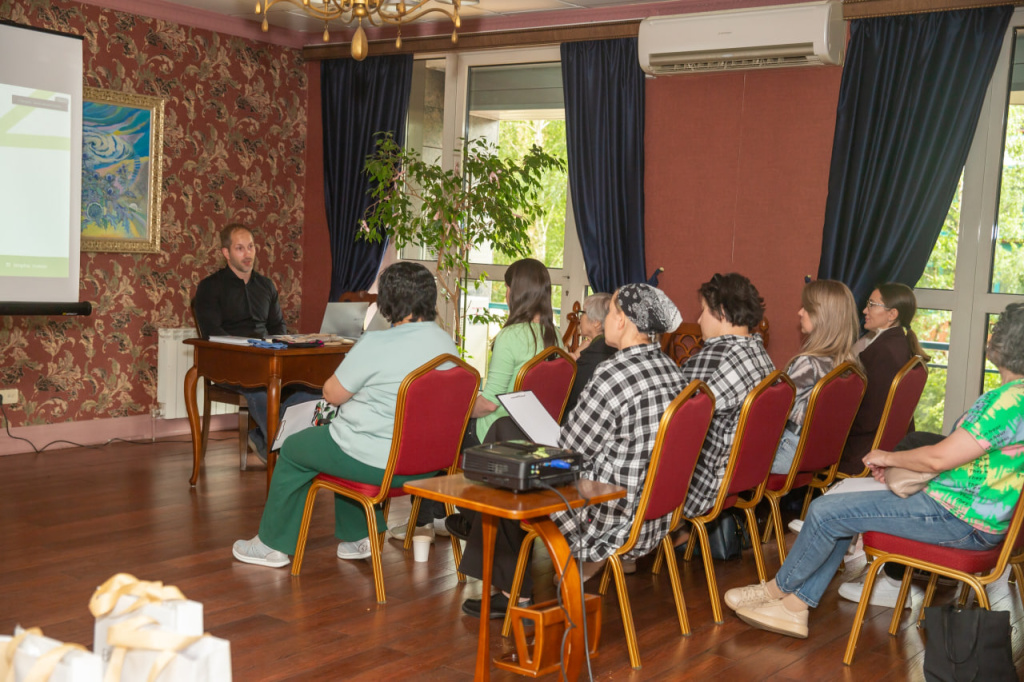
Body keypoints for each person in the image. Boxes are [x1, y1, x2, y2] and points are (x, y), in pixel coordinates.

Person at [726, 302, 1024, 639]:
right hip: (973, 517)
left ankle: (777, 592)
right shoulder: (1017, 399)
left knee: (825, 511)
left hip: (959, 521)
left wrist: (889, 458)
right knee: (838, 506)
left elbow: (938, 460)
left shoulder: (1007, 403)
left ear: (1000, 345)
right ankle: (794, 606)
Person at [459, 283, 686, 618]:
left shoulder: (613, 373)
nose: (606, 318)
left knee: (507, 462)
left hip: (602, 507)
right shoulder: (673, 370)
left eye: (610, 311)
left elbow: (571, 452)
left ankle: (509, 590)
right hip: (653, 509)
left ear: (623, 320)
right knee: (506, 432)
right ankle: (492, 554)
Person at [231, 262, 459, 568]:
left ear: (388, 302)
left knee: (298, 447)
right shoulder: (446, 343)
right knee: (344, 442)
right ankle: (358, 537)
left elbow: (332, 394)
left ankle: (272, 544)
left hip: (379, 463)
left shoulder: (377, 342)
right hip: (427, 466)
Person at [411, 259, 561, 537]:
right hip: (536, 435)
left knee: (439, 432)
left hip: (497, 433)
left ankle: (452, 519)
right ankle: (445, 519)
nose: (505, 293)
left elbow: (490, 403)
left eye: (507, 288)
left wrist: (457, 405)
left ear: (517, 292)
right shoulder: (556, 337)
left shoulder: (510, 337)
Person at [192, 223, 317, 461]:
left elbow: (278, 328)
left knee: (314, 388)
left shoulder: (266, 286)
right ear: (226, 253)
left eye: (250, 247)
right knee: (263, 391)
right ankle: (287, 456)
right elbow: (211, 334)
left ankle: (263, 436)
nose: (247, 253)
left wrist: (280, 345)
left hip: (268, 360)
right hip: (231, 364)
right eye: (240, 248)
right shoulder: (209, 287)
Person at [677, 273, 776, 529]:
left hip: (704, 483)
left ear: (721, 311)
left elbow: (671, 421)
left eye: (703, 312)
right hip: (744, 477)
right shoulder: (761, 355)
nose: (698, 320)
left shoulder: (715, 359)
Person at [839, 283, 931, 475]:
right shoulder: (901, 345)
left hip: (863, 450)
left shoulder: (882, 353)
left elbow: (868, 417)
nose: (865, 310)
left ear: (892, 315)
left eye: (872, 304)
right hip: (888, 444)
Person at [770, 280, 860, 474]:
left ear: (822, 316)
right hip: (820, 455)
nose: (800, 312)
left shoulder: (809, 363)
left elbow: (773, 411)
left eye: (806, 308)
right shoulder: (851, 367)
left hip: (789, 454)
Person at [564, 292, 616, 416]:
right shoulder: (613, 347)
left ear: (596, 323)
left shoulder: (592, 356)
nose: (579, 318)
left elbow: (567, 397)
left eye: (582, 313)